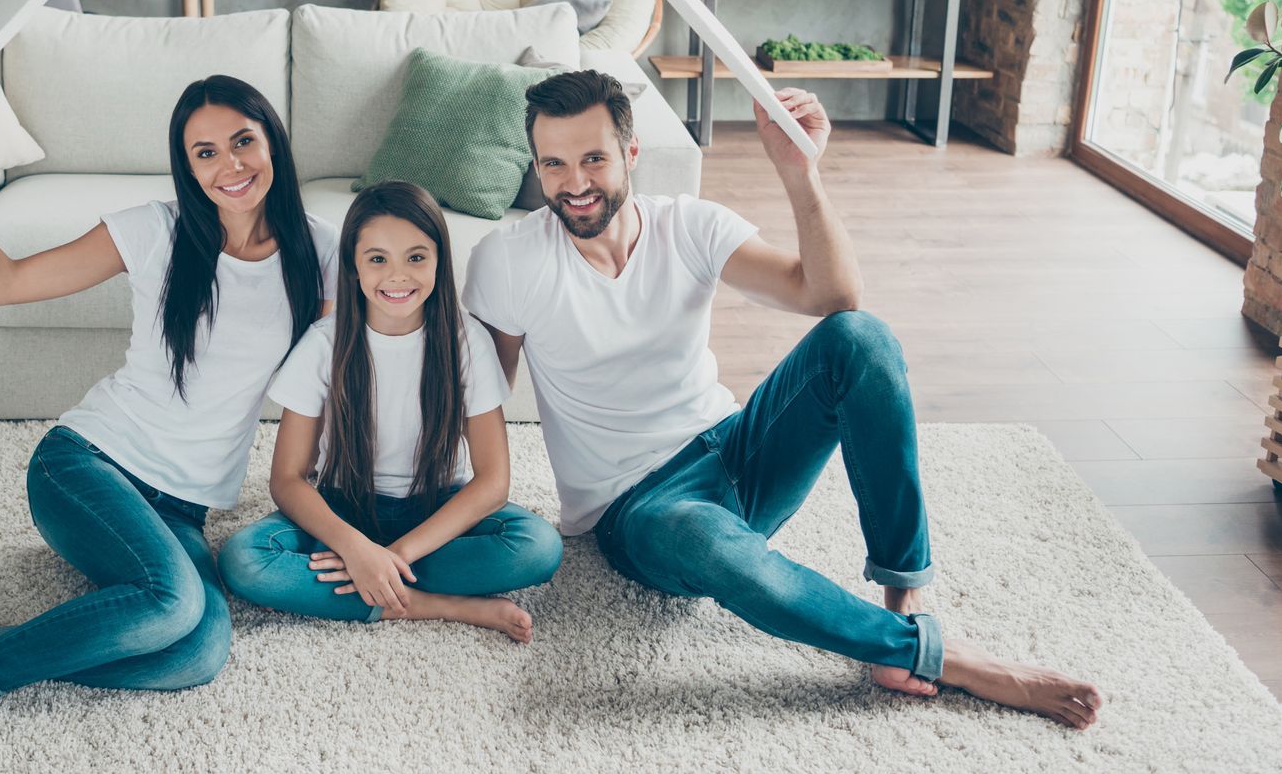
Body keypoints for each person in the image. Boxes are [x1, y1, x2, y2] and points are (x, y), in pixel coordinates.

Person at [462, 69, 1103, 729]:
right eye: (555, 163)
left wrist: (801, 174)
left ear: (631, 153)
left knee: (860, 338)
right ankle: (936, 656)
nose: (574, 183)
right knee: (704, 537)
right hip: (641, 508)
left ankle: (904, 596)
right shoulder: (510, 262)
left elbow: (829, 296)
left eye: (593, 157)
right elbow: (479, 399)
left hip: (735, 449)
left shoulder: (690, 225)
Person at [0, 75, 335, 772]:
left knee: (196, 651)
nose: (230, 165)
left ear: (273, 139)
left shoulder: (323, 254)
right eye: (204, 152)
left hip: (181, 505)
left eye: (243, 140)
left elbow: (338, 388)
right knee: (171, 600)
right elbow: (3, 284)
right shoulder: (157, 230)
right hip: (85, 467)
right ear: (187, 166)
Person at [219, 181, 562, 641]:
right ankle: (429, 604)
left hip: (439, 510)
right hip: (344, 509)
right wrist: (355, 549)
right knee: (245, 559)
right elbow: (286, 479)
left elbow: (493, 481)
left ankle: (378, 584)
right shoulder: (324, 343)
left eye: (416, 258)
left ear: (440, 261)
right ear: (353, 268)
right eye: (377, 259)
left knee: (538, 548)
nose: (397, 276)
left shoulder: (467, 342)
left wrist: (390, 557)